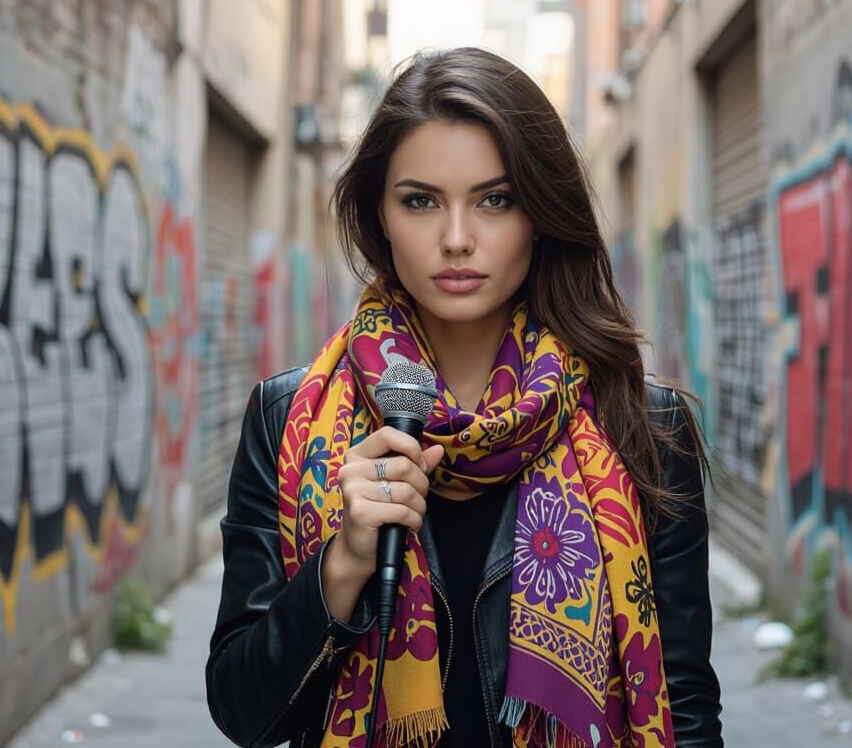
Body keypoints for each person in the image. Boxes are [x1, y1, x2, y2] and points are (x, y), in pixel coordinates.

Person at [206, 47, 722, 748]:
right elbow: (243, 714)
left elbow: (684, 705)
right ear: (380, 216)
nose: (456, 239)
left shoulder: (644, 426)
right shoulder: (286, 418)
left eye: (495, 200)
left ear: (540, 214)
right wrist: (345, 560)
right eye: (420, 201)